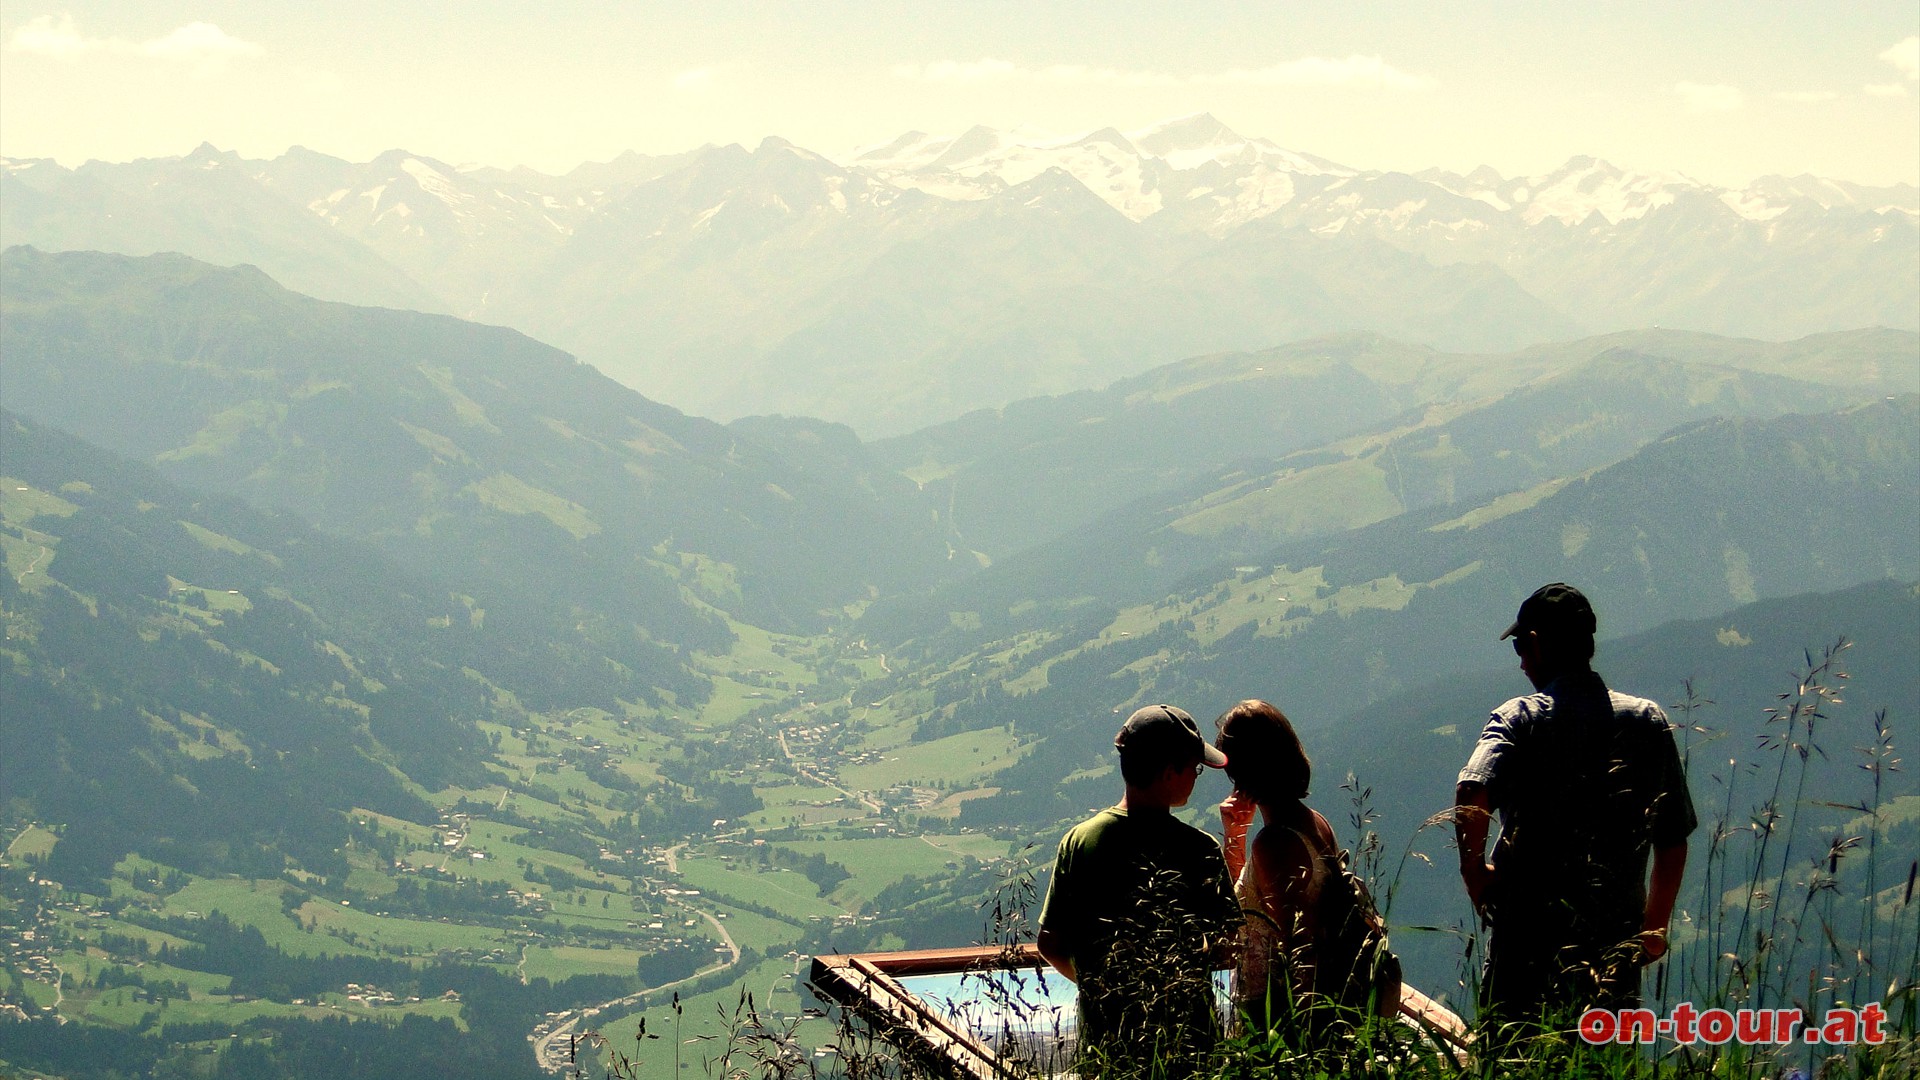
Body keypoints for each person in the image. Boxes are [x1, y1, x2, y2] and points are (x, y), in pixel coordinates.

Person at [1454, 583, 1697, 1033]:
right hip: (1613, 954)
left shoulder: (1519, 717)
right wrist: (1654, 930)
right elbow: (1672, 839)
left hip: (1525, 949)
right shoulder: (1646, 721)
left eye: (1521, 648)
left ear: (1538, 644)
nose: (1522, 662)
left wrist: (1475, 873)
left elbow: (1472, 788)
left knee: (1513, 1060)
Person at [1036, 704, 1241, 1074]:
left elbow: (1050, 944)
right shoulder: (1200, 849)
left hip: (1107, 1048)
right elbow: (1230, 948)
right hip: (1189, 1046)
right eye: (1194, 769)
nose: (1197, 778)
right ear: (1168, 774)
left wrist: (1102, 987)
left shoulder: (1080, 841)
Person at [1214, 699, 1340, 1030]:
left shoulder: (1274, 843)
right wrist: (1236, 838)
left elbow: (1295, 948)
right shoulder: (1314, 822)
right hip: (1299, 1010)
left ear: (1239, 770)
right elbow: (1253, 908)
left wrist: (1304, 1035)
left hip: (1276, 1016)